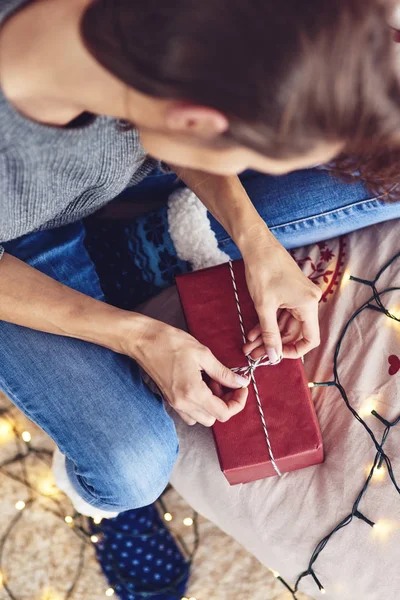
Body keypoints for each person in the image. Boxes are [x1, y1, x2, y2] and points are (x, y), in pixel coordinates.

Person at [0, 0, 400, 517]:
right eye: (252, 158)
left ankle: (137, 253)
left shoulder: (178, 47)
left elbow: (186, 133)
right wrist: (139, 336)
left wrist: (259, 245)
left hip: (128, 164)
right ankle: (139, 258)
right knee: (130, 473)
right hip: (17, 255)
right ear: (195, 119)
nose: (255, 170)